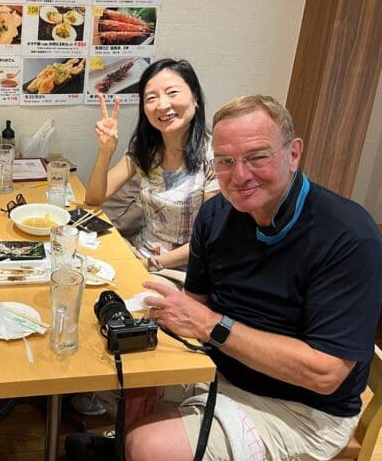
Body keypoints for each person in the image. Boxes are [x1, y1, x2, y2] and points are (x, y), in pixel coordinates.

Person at [126, 95, 382, 460]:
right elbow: (195, 306)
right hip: (221, 368)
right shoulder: (216, 214)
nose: (240, 176)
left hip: (302, 410)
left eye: (257, 157)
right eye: (226, 161)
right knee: (120, 376)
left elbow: (325, 374)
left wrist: (212, 326)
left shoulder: (348, 236)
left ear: (294, 153)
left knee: (149, 446)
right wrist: (155, 371)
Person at [87, 58, 219, 283]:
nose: (163, 105)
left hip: (180, 271)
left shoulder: (215, 156)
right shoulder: (146, 149)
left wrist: (149, 264)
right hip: (138, 254)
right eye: (151, 98)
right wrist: (106, 150)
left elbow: (208, 240)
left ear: (195, 98)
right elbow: (94, 197)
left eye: (172, 93)